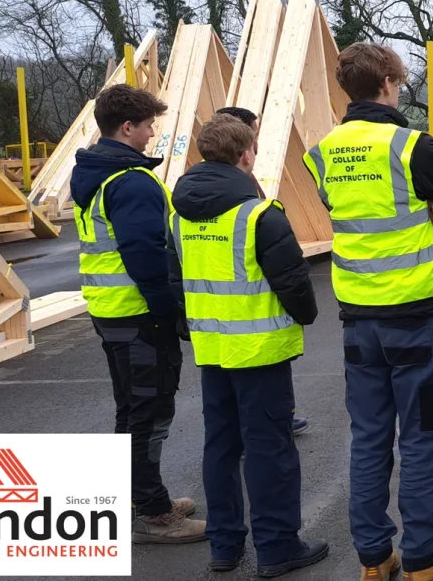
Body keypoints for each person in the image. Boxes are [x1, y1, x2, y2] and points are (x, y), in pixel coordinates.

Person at [303, 42, 433, 581]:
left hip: (358, 317)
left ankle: (375, 557)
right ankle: (425, 557)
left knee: (370, 436)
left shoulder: (323, 151)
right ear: (385, 82)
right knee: (423, 436)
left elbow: (348, 211)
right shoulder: (411, 147)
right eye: (399, 82)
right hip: (415, 317)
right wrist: (430, 210)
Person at [168, 114, 328, 576]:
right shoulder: (259, 213)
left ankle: (224, 545)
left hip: (212, 347)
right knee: (269, 448)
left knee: (220, 445)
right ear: (246, 155)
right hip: (259, 351)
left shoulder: (179, 214)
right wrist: (306, 315)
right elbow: (294, 282)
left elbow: (175, 276)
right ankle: (278, 546)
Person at [70, 83, 205, 543]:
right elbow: (146, 255)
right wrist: (170, 311)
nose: (152, 135)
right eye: (148, 126)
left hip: (112, 311)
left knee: (131, 410)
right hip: (139, 313)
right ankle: (153, 514)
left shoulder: (96, 174)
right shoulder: (130, 182)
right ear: (127, 127)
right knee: (148, 412)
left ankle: (140, 496)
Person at [214, 105, 310, 439]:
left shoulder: (191, 193)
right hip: (251, 316)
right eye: (255, 137)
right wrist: (304, 310)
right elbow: (283, 266)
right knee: (267, 439)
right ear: (243, 147)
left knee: (222, 428)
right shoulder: (244, 191)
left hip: (212, 323)